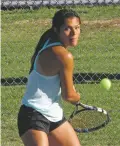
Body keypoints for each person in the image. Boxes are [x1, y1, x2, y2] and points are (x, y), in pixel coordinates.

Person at [17, 9, 81, 146]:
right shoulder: (64, 56)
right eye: (67, 29)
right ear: (56, 29)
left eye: (77, 28)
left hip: (54, 115)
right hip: (33, 116)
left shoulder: (48, 43)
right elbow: (69, 96)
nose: (74, 33)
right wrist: (77, 96)